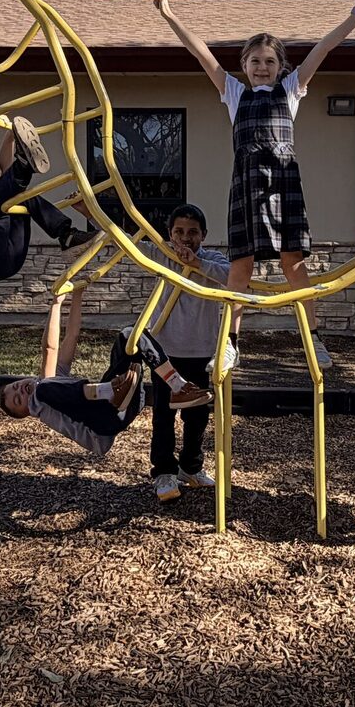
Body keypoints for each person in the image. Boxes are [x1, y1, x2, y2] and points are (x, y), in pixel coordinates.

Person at [153, 0, 355, 373]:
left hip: (284, 185)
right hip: (247, 187)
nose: (261, 67)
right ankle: (230, 342)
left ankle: (313, 338)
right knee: (241, 268)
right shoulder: (234, 93)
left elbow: (322, 49)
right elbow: (201, 53)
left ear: (280, 67)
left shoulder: (290, 91)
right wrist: (170, 16)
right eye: (255, 60)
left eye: (269, 61)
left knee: (294, 266)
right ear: (244, 64)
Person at [0, 292, 211, 458]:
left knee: (130, 336)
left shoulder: (53, 383)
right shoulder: (41, 400)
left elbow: (71, 336)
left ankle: (177, 386)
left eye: (15, 386)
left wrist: (78, 295)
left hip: (124, 404)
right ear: (27, 411)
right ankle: (110, 390)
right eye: (19, 400)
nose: (20, 391)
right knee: (44, 387)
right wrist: (56, 303)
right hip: (103, 423)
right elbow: (49, 349)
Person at [0, 117, 99, 285]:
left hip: (11, 259)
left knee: (21, 196)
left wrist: (11, 137)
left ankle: (66, 235)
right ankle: (23, 165)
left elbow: (4, 175)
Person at [141, 204, 227, 502]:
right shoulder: (162, 255)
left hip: (202, 350)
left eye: (192, 232)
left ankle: (190, 467)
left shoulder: (212, 259)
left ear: (204, 235)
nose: (186, 238)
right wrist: (87, 212)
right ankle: (164, 471)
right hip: (167, 350)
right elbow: (126, 242)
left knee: (198, 415)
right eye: (179, 231)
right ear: (169, 233)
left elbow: (230, 277)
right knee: (164, 414)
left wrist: (197, 264)